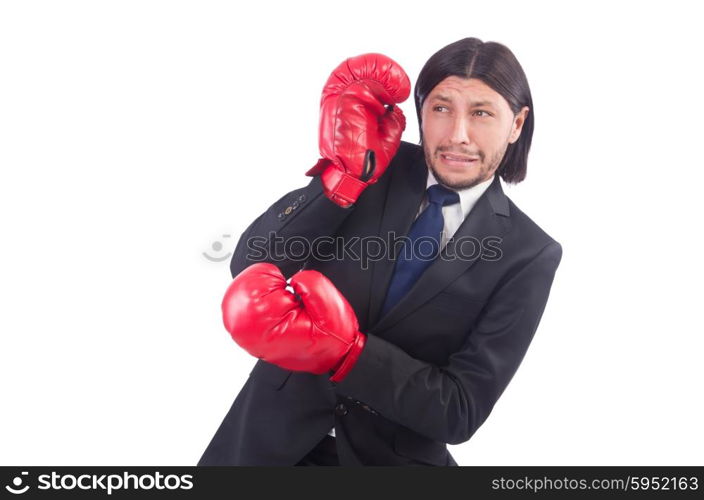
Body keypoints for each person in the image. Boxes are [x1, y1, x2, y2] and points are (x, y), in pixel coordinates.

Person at [197, 37, 562, 466]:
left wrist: (349, 353)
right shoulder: (373, 164)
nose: (457, 135)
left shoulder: (529, 253)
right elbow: (252, 263)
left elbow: (460, 411)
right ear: (421, 112)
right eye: (441, 108)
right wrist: (342, 181)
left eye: (481, 113)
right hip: (263, 443)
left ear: (516, 124)